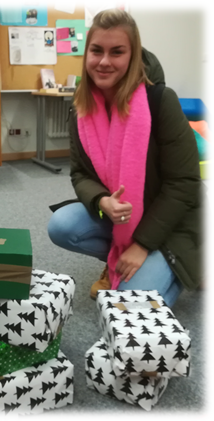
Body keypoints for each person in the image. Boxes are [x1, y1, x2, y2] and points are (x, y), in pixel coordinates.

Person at [47, 9, 202, 307]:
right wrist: (101, 201)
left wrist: (142, 245)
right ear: (87, 54)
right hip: (122, 217)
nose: (104, 61)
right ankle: (123, 258)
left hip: (172, 223)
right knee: (62, 225)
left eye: (117, 52)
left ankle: (186, 264)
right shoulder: (81, 106)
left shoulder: (160, 101)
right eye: (97, 51)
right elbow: (80, 173)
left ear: (133, 56)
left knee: (129, 305)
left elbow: (184, 183)